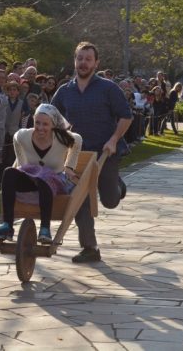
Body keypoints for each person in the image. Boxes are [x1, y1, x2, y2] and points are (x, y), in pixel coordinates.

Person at [52, 41, 132, 263]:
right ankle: (90, 248)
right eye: (80, 58)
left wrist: (114, 140)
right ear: (74, 61)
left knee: (110, 201)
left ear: (96, 63)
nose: (83, 63)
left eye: (88, 59)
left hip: (105, 152)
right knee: (80, 201)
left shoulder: (108, 88)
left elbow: (126, 116)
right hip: (77, 155)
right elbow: (53, 116)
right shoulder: (65, 91)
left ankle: (117, 185)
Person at [0, 104, 82, 243]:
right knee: (9, 172)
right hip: (31, 178)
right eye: (37, 123)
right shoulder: (24, 135)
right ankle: (7, 226)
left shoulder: (61, 138)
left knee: (44, 177)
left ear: (53, 125)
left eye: (45, 124)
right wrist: (22, 164)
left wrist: (69, 167)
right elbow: (16, 139)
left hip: (52, 181)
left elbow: (78, 139)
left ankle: (45, 229)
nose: (40, 128)